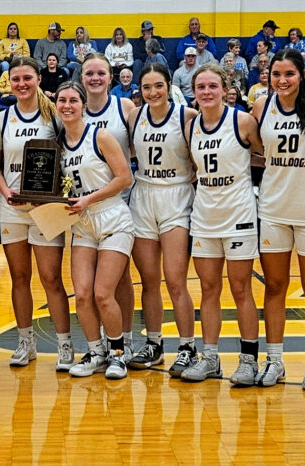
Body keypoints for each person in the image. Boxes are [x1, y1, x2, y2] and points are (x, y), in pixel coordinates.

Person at [250, 49, 305, 390]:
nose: (282, 80)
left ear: (301, 74)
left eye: (289, 73)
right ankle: (274, 361)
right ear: (268, 76)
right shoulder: (260, 107)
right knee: (274, 287)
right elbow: (257, 153)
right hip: (273, 209)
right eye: (276, 74)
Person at [178, 64, 263, 385]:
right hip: (204, 217)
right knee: (209, 289)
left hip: (239, 216)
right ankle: (210, 357)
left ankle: (248, 360)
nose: (207, 92)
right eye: (201, 87)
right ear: (194, 91)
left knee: (241, 288)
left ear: (226, 88)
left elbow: (266, 156)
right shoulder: (190, 127)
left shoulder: (242, 121)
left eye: (213, 86)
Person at [0, 56, 72, 369]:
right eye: (16, 79)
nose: (22, 84)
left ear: (39, 78)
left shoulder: (55, 116)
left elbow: (70, 161)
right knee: (19, 277)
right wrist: (4, 190)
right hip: (11, 207)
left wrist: (56, 197)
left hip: (46, 208)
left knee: (51, 278)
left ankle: (65, 344)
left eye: (27, 78)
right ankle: (26, 342)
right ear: (9, 83)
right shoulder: (2, 118)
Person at [53, 81, 134, 379]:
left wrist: (88, 198)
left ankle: (117, 353)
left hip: (112, 217)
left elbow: (124, 178)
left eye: (74, 100)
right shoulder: (58, 144)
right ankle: (96, 351)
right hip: (83, 224)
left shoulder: (100, 136)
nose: (67, 105)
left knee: (103, 293)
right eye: (62, 100)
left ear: (83, 105)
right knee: (83, 294)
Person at [124, 63, 198, 376]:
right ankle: (154, 344)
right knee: (149, 279)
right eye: (146, 87)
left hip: (177, 196)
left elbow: (202, 159)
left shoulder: (186, 116)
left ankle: (187, 347)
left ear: (169, 85)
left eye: (158, 86)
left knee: (176, 279)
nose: (152, 92)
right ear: (139, 91)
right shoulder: (133, 116)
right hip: (144, 195)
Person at [79, 53, 137, 358]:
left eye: (101, 72)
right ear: (81, 78)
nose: (95, 78)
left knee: (121, 274)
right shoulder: (73, 109)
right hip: (85, 204)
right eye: (89, 73)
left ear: (110, 78)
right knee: (92, 281)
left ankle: (124, 337)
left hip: (121, 197)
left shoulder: (124, 107)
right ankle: (102, 341)